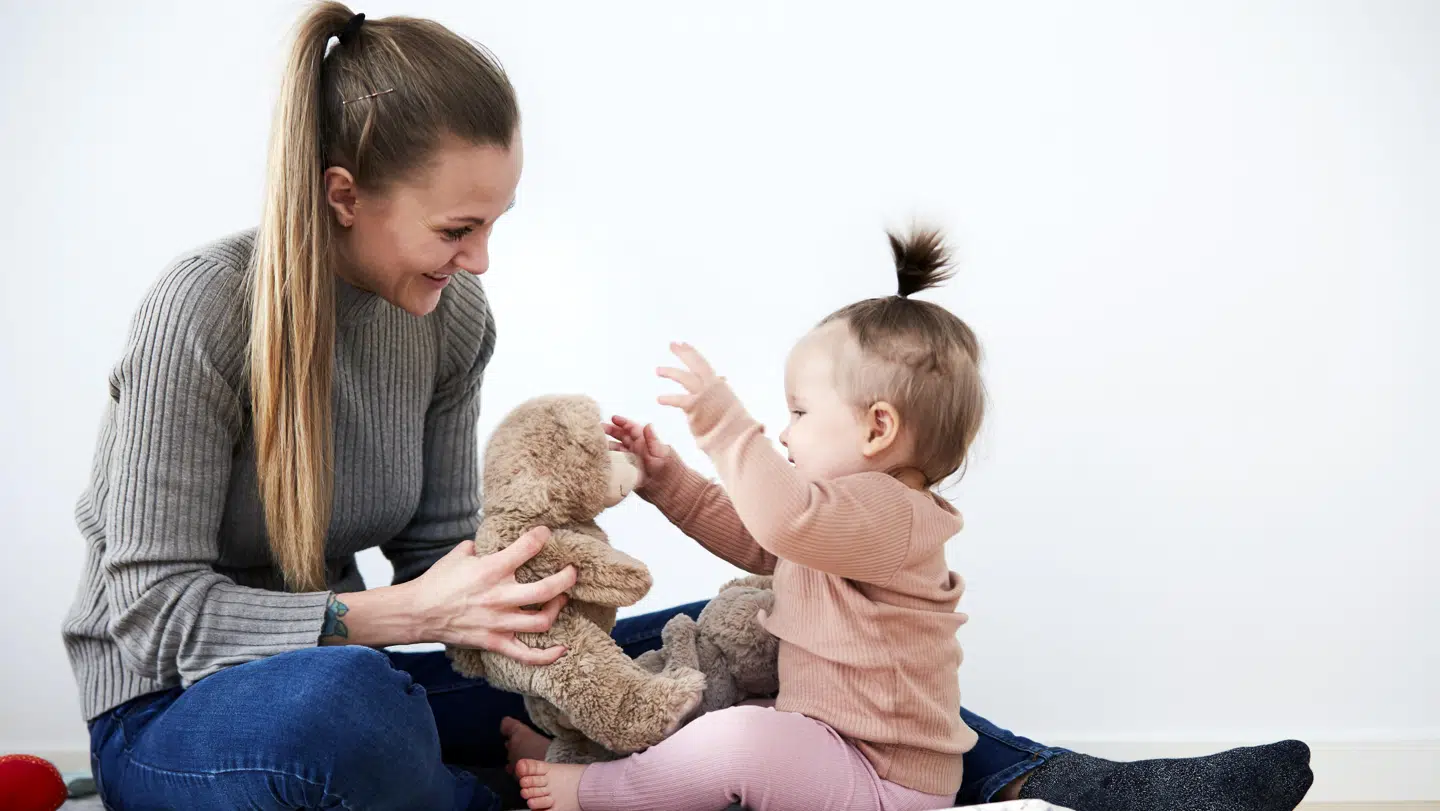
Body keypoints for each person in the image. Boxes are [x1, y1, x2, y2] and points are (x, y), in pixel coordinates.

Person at [59, 3, 1315, 810]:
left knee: (756, 619)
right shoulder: (204, 316)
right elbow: (149, 613)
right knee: (342, 710)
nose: (482, 262)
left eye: (494, 224)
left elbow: (455, 552)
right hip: (184, 713)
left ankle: (1060, 779)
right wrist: (391, 612)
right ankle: (558, 788)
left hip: (388, 668)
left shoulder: (456, 323)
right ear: (344, 194)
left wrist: (539, 592)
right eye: (458, 228)